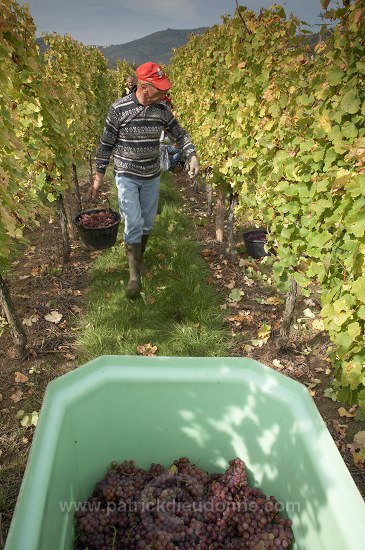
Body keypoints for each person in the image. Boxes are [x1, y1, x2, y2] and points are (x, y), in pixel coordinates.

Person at [88, 61, 199, 299]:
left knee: (147, 223)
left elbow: (179, 133)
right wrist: (98, 176)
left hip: (151, 175)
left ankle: (138, 260)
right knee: (134, 222)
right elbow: (106, 144)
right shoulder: (119, 109)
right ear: (145, 86)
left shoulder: (161, 110)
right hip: (126, 174)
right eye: (160, 88)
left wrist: (191, 154)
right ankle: (134, 278)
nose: (165, 93)